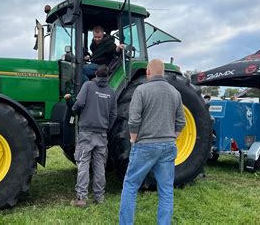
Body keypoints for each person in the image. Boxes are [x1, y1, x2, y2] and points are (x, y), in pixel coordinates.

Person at [119, 59, 186, 225]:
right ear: (162, 72)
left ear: (148, 72)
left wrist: (133, 138)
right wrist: (173, 137)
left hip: (145, 145)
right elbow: (181, 121)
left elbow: (133, 120)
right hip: (168, 146)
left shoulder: (141, 90)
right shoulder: (175, 92)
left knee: (131, 185)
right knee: (166, 190)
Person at [64, 65, 117, 207]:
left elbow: (79, 103)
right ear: (107, 76)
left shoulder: (88, 85)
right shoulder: (111, 92)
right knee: (100, 166)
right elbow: (113, 114)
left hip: (86, 133)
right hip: (102, 134)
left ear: (96, 74)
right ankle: (99, 198)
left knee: (83, 163)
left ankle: (81, 198)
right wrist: (106, 128)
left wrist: (72, 107)